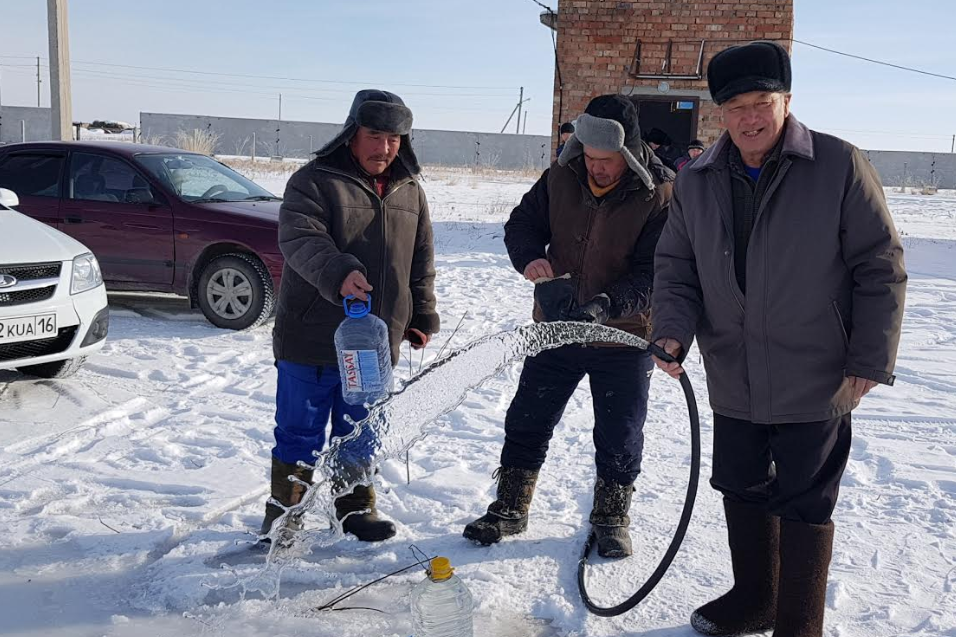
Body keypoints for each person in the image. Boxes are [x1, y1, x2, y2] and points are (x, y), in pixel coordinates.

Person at [651, 41, 906, 636]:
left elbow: (880, 264)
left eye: (761, 102)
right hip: (733, 372)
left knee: (805, 501)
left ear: (787, 101)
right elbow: (676, 268)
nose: (749, 118)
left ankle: (798, 625)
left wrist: (870, 356)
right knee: (740, 485)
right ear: (720, 113)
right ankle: (755, 597)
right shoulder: (697, 181)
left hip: (817, 372)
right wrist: (671, 330)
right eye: (735, 106)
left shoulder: (839, 165)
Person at [463, 94, 673, 558]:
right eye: (591, 157)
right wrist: (531, 260)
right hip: (555, 329)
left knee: (620, 433)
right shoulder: (560, 175)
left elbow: (655, 270)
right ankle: (510, 507)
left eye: (608, 161)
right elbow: (522, 224)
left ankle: (612, 516)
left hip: (624, 335)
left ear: (632, 152)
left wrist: (605, 304)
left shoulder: (659, 194)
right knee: (527, 419)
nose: (597, 168)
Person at [263, 89, 440, 543]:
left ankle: (354, 507)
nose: (384, 148)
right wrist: (339, 272)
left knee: (359, 429)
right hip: (312, 335)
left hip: (373, 343)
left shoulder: (410, 191)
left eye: (395, 138)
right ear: (352, 134)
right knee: (299, 431)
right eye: (375, 135)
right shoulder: (313, 181)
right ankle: (285, 515)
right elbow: (300, 239)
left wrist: (421, 314)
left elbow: (420, 261)